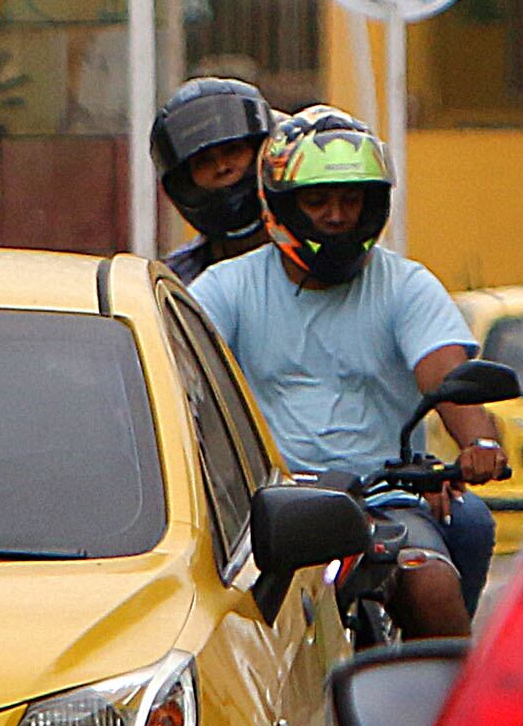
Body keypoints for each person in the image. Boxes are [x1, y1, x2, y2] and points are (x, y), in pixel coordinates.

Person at [187, 119, 504, 638]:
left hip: (385, 497)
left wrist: (479, 440)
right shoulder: (227, 287)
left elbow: (448, 373)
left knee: (434, 584)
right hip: (269, 509)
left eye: (351, 201)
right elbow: (184, 378)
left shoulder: (405, 285)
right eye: (319, 202)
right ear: (283, 203)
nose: (337, 217)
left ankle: (451, 711)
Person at [149, 75, 279, 281]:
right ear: (184, 182)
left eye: (232, 150)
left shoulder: (314, 263)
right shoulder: (173, 282)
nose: (221, 167)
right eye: (203, 161)